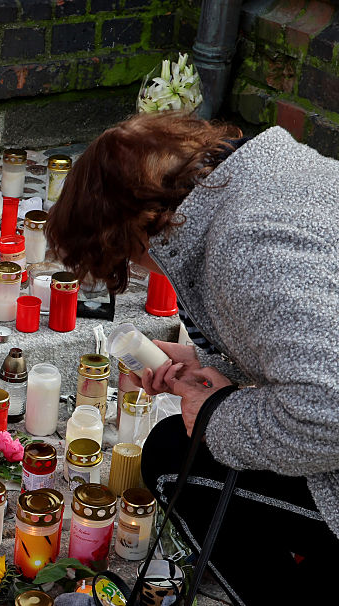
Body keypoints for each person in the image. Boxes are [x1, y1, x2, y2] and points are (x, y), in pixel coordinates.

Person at [45, 112, 339, 604]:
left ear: (139, 227)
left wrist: (216, 413)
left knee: (172, 459)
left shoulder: (246, 245)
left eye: (128, 257)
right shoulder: (266, 177)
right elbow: (309, 330)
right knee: (172, 445)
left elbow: (326, 411)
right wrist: (209, 359)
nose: (142, 268)